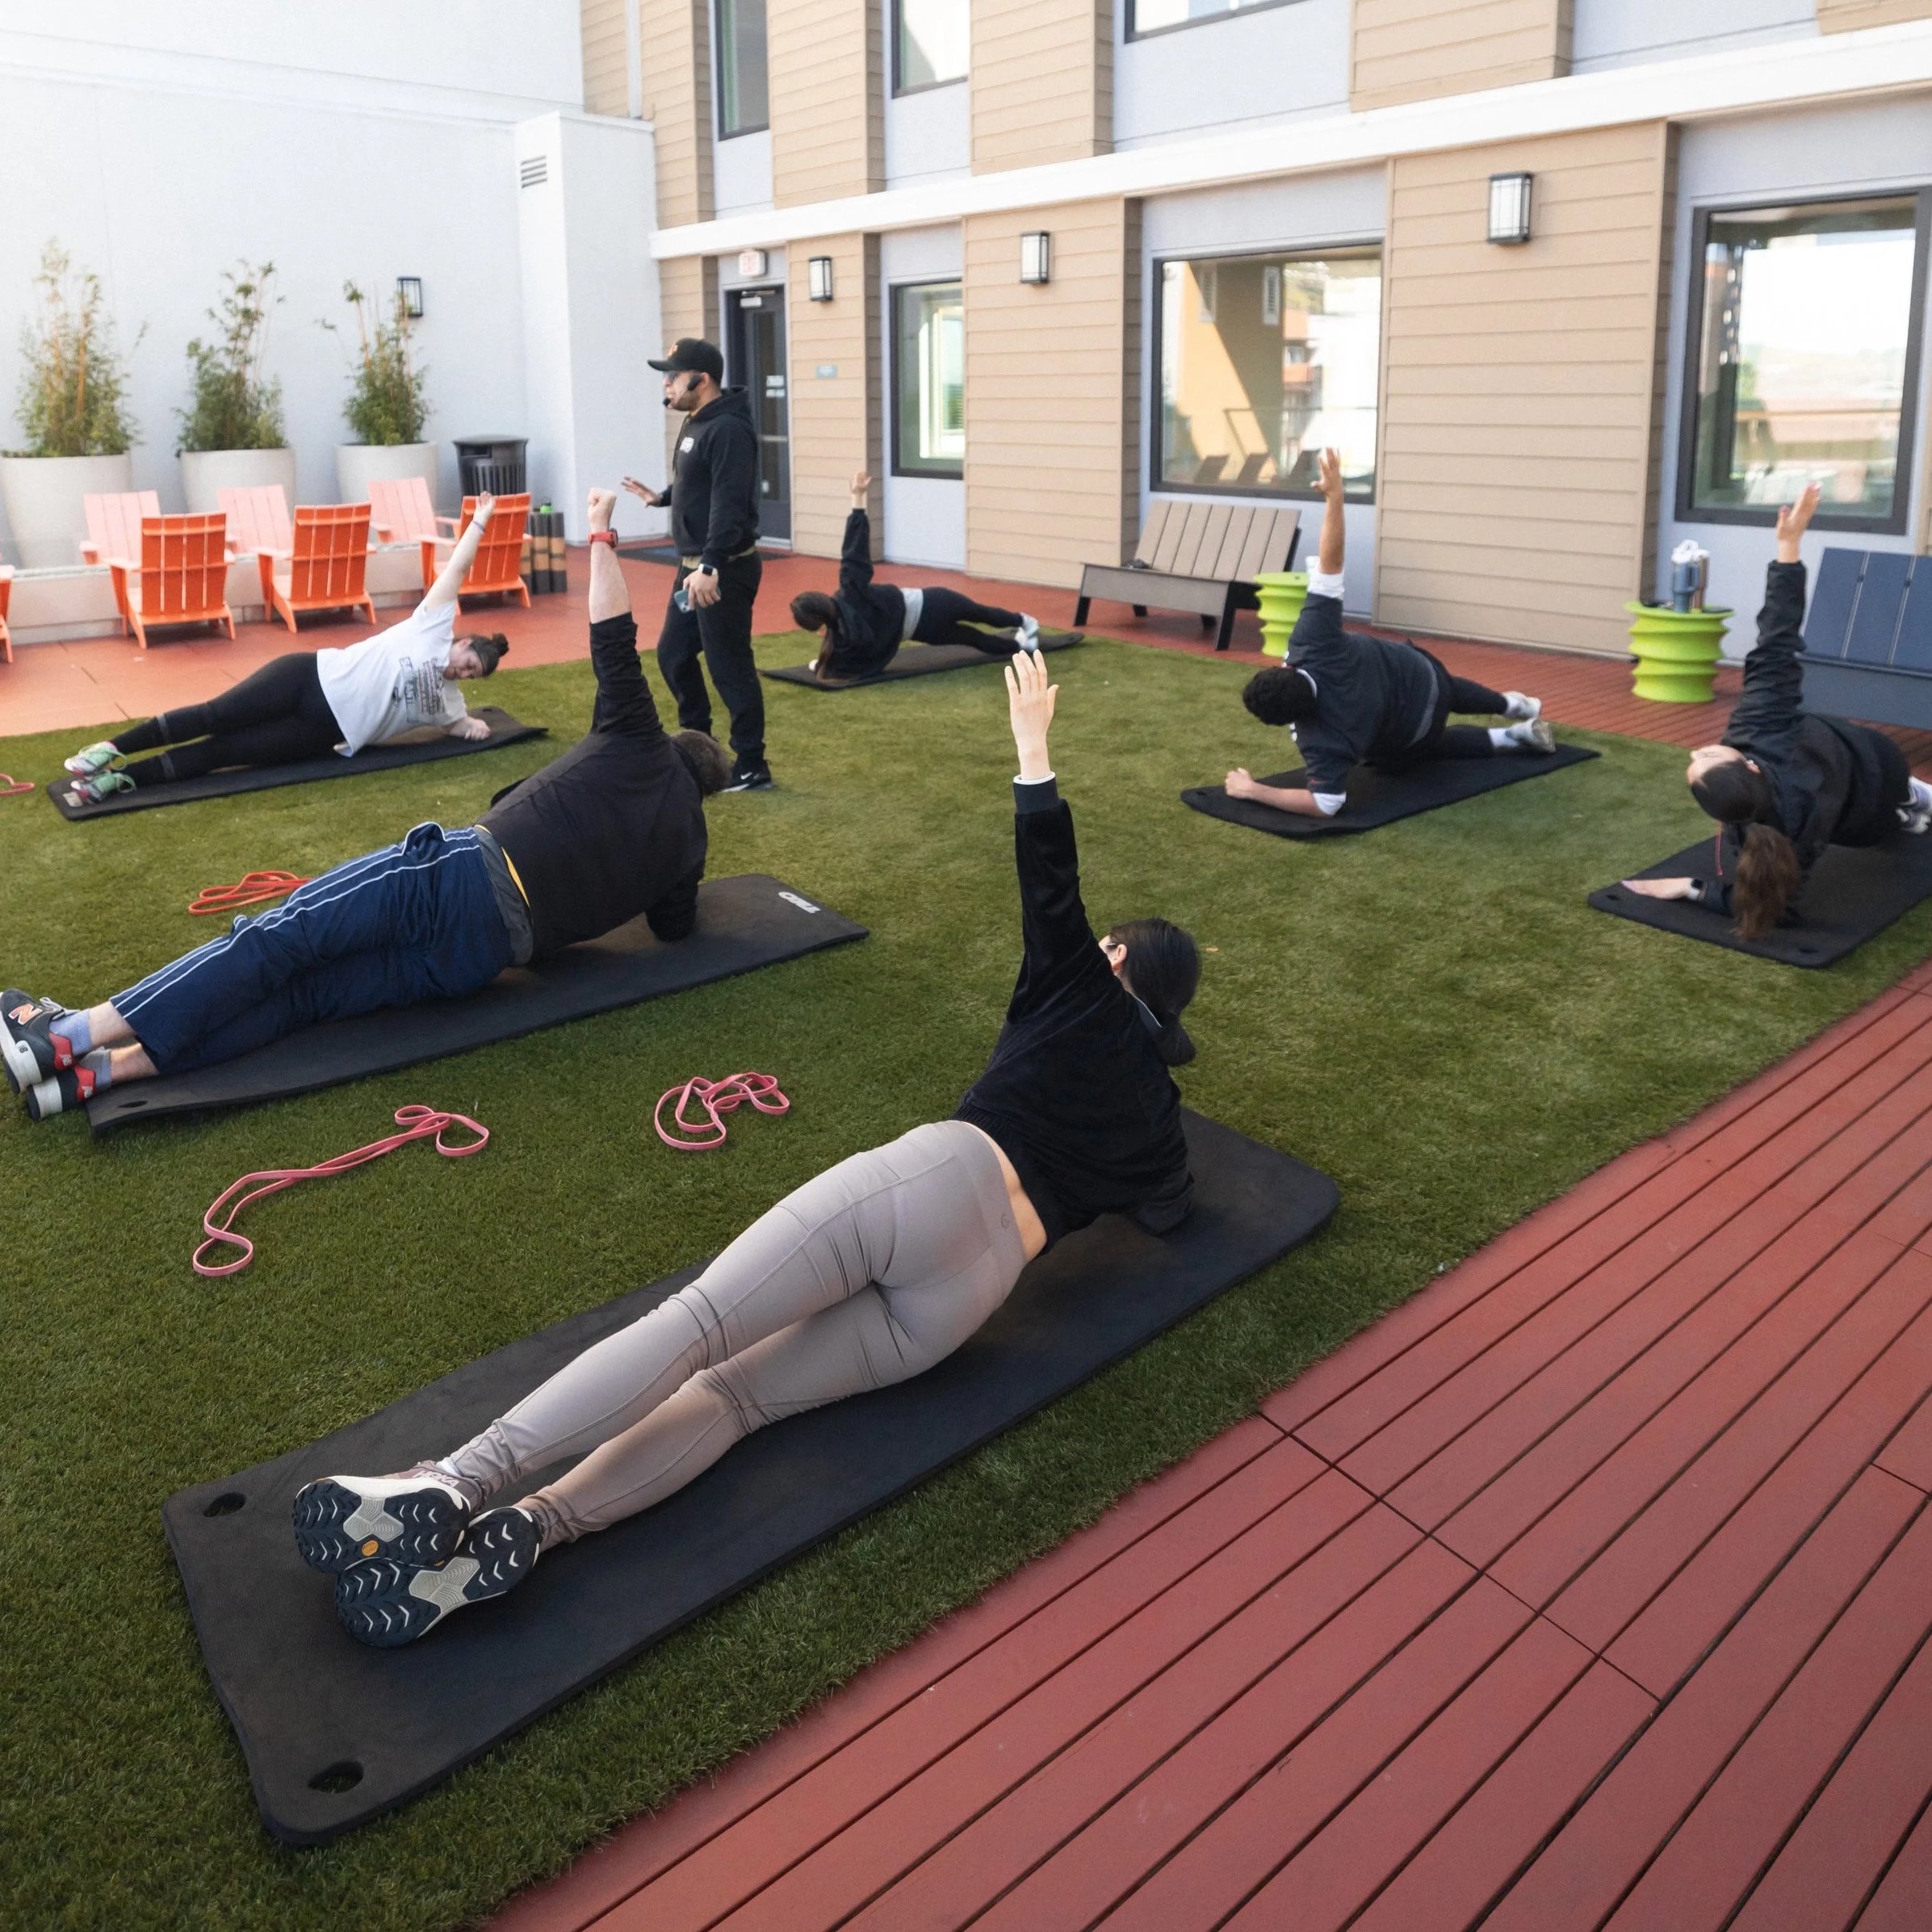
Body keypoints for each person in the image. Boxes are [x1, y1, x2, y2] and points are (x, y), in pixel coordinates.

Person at [287, 648, 1202, 1647]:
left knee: (699, 1325)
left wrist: (1033, 751)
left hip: (940, 1181)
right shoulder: (1156, 1115)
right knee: (735, 1399)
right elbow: (1170, 1201)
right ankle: (535, 1526)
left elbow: (1049, 888)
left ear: (1114, 960)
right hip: (968, 1299)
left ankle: (452, 1482)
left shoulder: (1079, 988)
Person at [1, 489, 729, 1121]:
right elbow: (672, 928)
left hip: (456, 880)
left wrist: (599, 529)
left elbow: (611, 637)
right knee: (301, 1000)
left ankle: (67, 1037)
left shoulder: (639, 740)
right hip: (484, 958)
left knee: (273, 940)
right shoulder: (687, 847)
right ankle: (99, 1076)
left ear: (670, 744)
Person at [1618, 483, 1932, 939]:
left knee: (1892, 809)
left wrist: (1690, 888)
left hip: (1867, 782)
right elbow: (1776, 638)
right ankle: (1909, 805)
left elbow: (1768, 907)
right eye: (1705, 759)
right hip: (1871, 785)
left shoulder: (1782, 834)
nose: (1694, 753)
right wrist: (1789, 544)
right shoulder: (1760, 727)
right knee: (1890, 824)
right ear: (1746, 764)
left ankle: (1911, 801)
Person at [61, 502, 510, 803]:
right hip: (307, 678)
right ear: (463, 643)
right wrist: (479, 521)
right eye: (468, 664)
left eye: (472, 677)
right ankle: (108, 749)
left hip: (320, 732)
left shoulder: (449, 705)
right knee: (214, 715)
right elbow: (458, 567)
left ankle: (117, 781)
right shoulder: (431, 626)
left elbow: (462, 725)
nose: (463, 674)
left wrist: (474, 728)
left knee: (223, 753)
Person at [1225, 448, 1553, 820]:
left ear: (1288, 722)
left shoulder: (1322, 739)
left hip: (1418, 731)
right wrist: (1335, 498)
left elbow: (1326, 804)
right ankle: (1515, 706)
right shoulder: (1311, 642)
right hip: (1422, 671)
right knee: (1443, 687)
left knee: (1396, 756)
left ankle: (1511, 737)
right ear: (1285, 669)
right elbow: (1331, 567)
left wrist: (1252, 790)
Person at [621, 337, 770, 792]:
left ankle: (751, 765)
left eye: (673, 376)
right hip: (695, 567)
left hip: (720, 569)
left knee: (729, 667)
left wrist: (710, 566)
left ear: (701, 381)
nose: (666, 383)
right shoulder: (695, 421)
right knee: (674, 655)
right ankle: (699, 747)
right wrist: (662, 497)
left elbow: (729, 504)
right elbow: (696, 481)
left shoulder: (729, 430)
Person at [793, 471, 1044, 683]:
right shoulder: (850, 594)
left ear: (818, 623)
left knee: (972, 636)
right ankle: (1025, 624)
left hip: (922, 627)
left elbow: (840, 665)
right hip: (930, 604)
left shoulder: (845, 639)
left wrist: (820, 666)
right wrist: (857, 498)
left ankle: (1021, 644)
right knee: (979, 614)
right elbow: (854, 553)